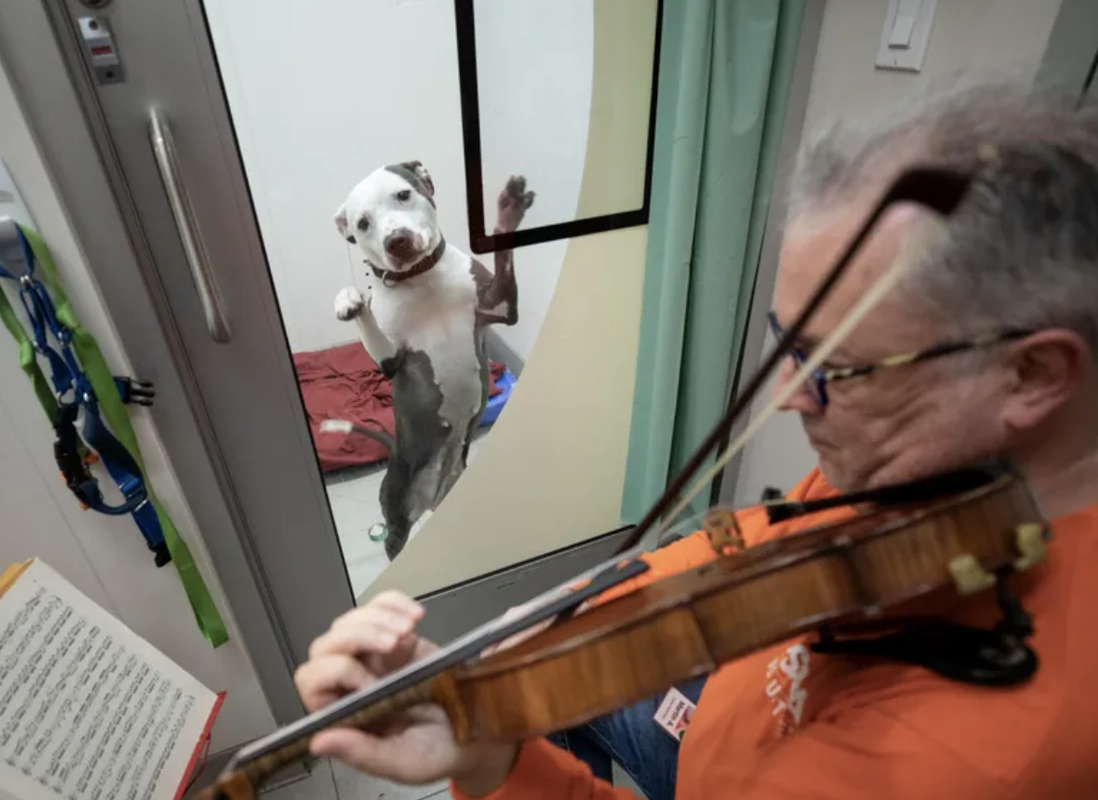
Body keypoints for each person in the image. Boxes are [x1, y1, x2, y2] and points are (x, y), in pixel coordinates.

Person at [293, 79, 1098, 799]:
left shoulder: (961, 762)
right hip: (730, 711)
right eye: (787, 343)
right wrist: (566, 628)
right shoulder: (927, 481)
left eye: (834, 369)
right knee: (554, 672)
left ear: (1030, 378)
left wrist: (495, 764)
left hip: (718, 770)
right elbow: (757, 545)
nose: (788, 397)